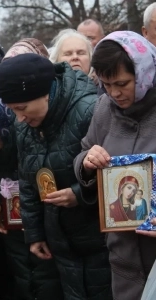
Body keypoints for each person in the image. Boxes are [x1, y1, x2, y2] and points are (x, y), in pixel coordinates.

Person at [0, 53, 112, 300]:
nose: (20, 118)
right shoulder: (25, 126)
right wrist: (34, 234)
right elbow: (27, 182)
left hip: (100, 242)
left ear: (44, 92)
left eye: (22, 108)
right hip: (61, 243)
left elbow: (118, 172)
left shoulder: (90, 110)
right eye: (13, 110)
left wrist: (80, 194)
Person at [73, 30, 156, 299]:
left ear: (143, 73)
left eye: (122, 83)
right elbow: (84, 151)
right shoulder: (104, 108)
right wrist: (86, 162)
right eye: (107, 85)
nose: (115, 93)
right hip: (123, 257)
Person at [0, 88, 63, 300]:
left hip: (42, 226)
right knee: (21, 276)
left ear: (4, 126)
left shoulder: (32, 145)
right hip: (13, 226)